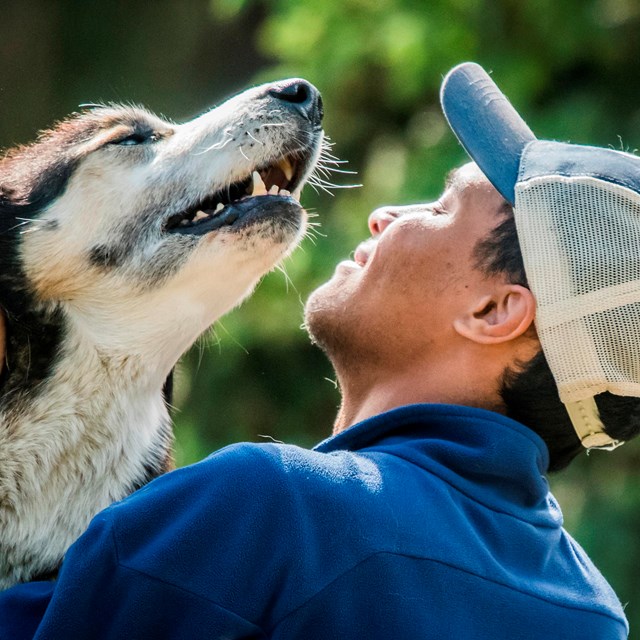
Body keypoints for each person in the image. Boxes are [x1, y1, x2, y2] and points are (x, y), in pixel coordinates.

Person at [0, 62, 637, 638]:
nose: (385, 213)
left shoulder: (266, 514)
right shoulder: (591, 614)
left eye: (441, 208)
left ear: (494, 312)